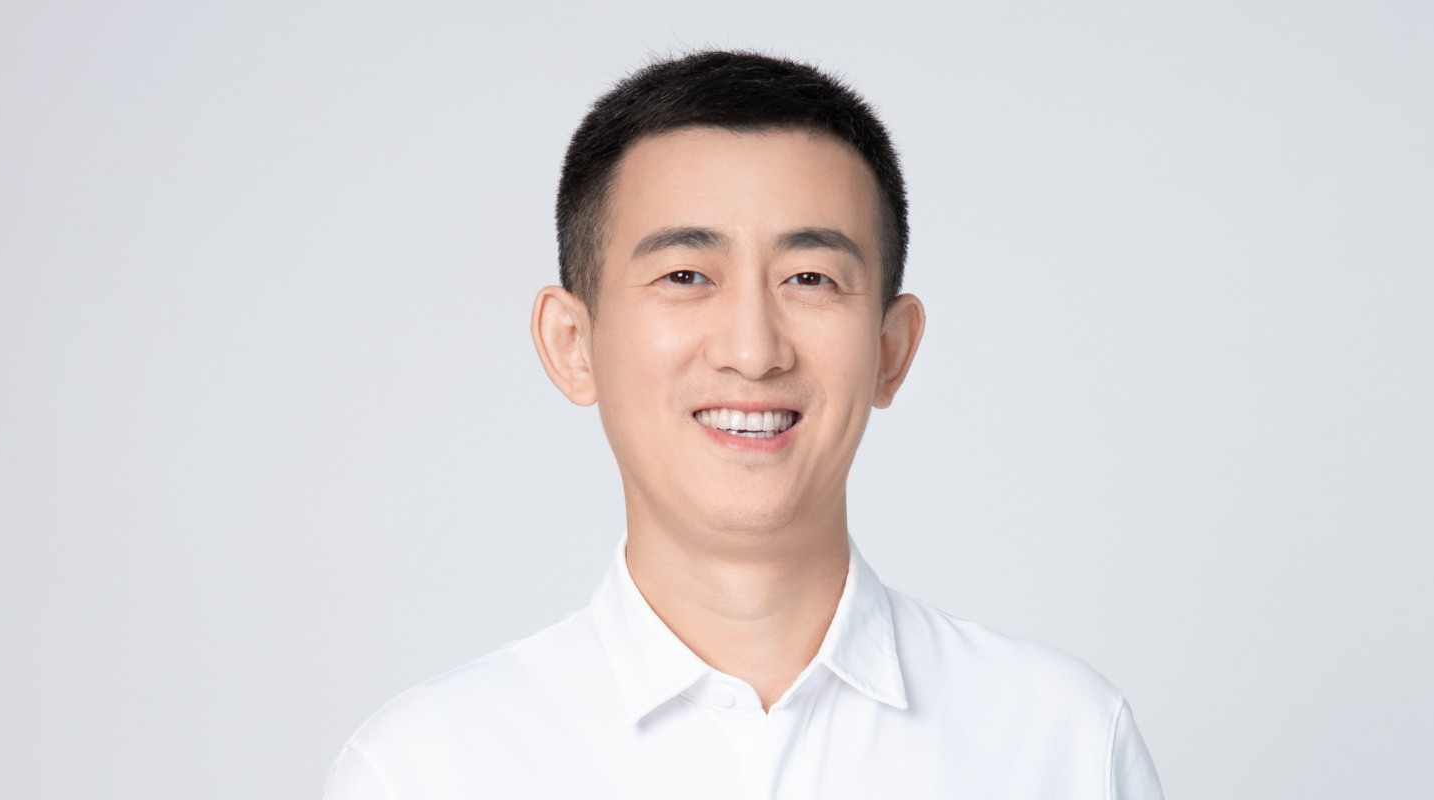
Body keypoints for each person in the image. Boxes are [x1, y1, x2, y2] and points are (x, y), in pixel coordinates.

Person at [323, 50, 1164, 800]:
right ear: (573, 344)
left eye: (810, 278)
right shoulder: (424, 772)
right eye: (686, 275)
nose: (753, 351)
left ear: (891, 349)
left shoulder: (1065, 744)